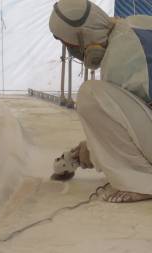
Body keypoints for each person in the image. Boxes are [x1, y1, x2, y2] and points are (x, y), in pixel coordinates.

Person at [49, 0, 152, 203]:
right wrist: (93, 148)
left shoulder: (121, 57)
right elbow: (135, 122)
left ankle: (141, 183)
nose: (74, 52)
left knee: (91, 95)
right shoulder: (134, 25)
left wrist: (94, 150)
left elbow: (125, 134)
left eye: (70, 46)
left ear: (84, 37)